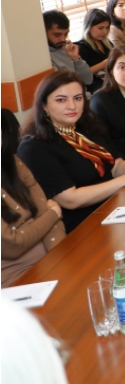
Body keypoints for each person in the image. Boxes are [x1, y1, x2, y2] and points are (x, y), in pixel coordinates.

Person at [16, 71, 125, 232]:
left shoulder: (86, 127)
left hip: (115, 206)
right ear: (44, 105)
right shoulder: (35, 147)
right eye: (61, 100)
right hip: (83, 225)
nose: (72, 106)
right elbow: (70, 200)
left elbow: (114, 165)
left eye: (78, 98)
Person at [2, 109, 66, 286]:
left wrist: (60, 261)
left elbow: (44, 211)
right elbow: (12, 245)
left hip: (50, 262)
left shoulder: (13, 163)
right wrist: (52, 215)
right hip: (15, 280)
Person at [43, 10, 94, 87]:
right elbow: (61, 88)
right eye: (57, 34)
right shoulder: (45, 57)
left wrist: (76, 59)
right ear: (44, 32)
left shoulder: (66, 49)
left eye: (66, 34)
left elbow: (88, 80)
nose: (63, 39)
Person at [75, 9, 113, 94]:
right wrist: (103, 64)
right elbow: (83, 75)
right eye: (100, 28)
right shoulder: (81, 47)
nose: (105, 31)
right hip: (95, 86)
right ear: (89, 27)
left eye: (107, 28)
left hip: (110, 79)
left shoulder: (107, 43)